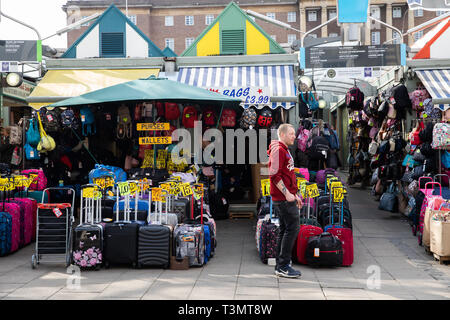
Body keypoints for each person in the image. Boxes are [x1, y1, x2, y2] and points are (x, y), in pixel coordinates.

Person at [268, 123, 303, 278]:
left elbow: (287, 174)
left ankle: (281, 265)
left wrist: (294, 194)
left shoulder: (284, 149)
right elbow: (274, 174)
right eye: (291, 134)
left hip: (286, 197)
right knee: (293, 228)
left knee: (285, 229)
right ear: (282, 134)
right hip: (283, 199)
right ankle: (283, 265)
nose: (294, 136)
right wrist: (287, 193)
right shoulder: (278, 150)